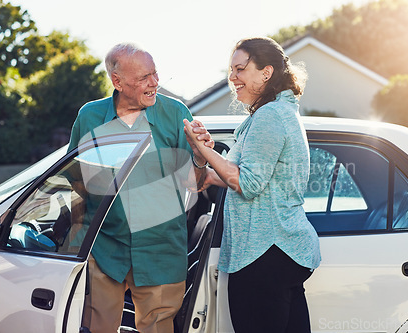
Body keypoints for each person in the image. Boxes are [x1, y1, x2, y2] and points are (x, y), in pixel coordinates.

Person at [67, 42, 212, 333]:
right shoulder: (90, 117)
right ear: (117, 81)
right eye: (144, 78)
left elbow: (193, 184)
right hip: (105, 248)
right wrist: (77, 236)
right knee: (94, 328)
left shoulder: (175, 114)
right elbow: (76, 179)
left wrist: (199, 158)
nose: (154, 83)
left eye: (155, 74)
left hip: (160, 249)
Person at [184, 37, 321, 333]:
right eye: (231, 70)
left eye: (240, 69)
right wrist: (209, 173)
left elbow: (248, 183)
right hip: (282, 251)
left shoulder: (270, 116)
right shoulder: (277, 112)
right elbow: (254, 176)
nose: (232, 78)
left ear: (266, 72)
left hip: (266, 254)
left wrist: (204, 150)